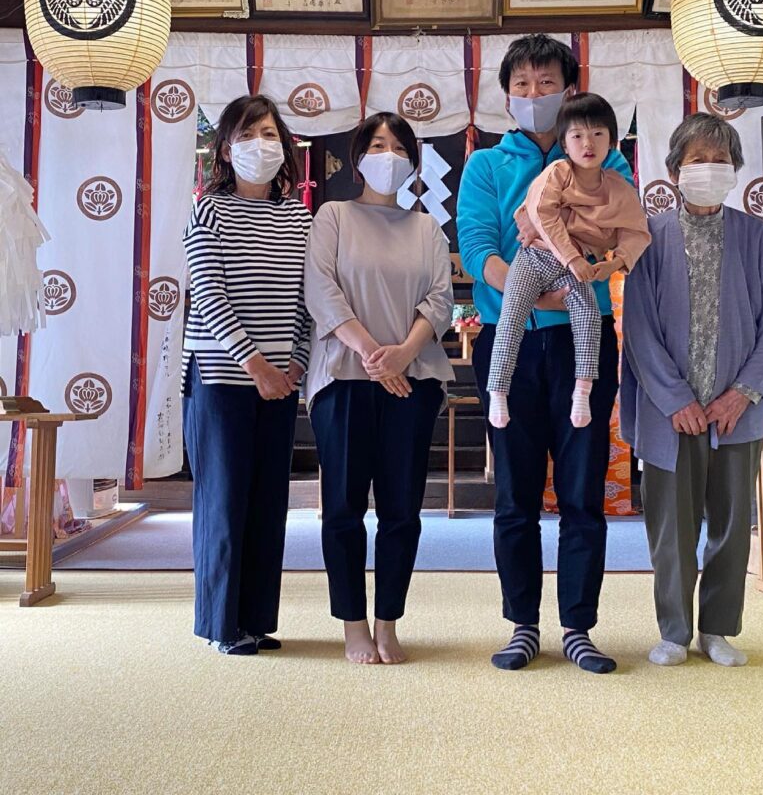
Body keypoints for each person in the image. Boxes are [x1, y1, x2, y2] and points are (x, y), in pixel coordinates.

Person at [457, 35, 636, 675]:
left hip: (583, 344)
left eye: (547, 83)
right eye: (523, 85)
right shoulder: (485, 165)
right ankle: (523, 624)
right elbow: (479, 249)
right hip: (513, 338)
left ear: (569, 89)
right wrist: (546, 287)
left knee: (583, 490)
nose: (535, 95)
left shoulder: (608, 164)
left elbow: (621, 235)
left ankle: (580, 626)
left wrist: (579, 284)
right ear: (507, 94)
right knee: (517, 493)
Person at [620, 112, 763, 668]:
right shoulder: (650, 236)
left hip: (735, 411)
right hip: (671, 414)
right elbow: (639, 328)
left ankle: (718, 628)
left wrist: (741, 393)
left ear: (736, 169)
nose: (709, 170)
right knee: (670, 524)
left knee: (733, 520)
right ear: (674, 169)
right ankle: (673, 629)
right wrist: (676, 400)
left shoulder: (754, 235)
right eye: (698, 160)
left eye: (720, 161)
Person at [305, 111, 454, 665]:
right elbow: (321, 290)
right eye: (376, 144)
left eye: (397, 146)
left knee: (401, 510)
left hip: (411, 385)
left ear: (412, 161)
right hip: (344, 380)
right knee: (342, 508)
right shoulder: (333, 216)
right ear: (358, 156)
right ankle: (352, 624)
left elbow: (440, 301)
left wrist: (403, 355)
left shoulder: (426, 228)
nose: (386, 155)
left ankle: (388, 620)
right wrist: (374, 355)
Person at [182, 94, 311, 656]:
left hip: (280, 381)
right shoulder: (207, 210)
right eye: (248, 134)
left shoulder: (298, 215)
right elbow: (208, 294)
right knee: (224, 500)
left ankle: (256, 618)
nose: (261, 144)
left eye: (269, 133)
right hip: (220, 376)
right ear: (226, 150)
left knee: (267, 502)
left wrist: (296, 363)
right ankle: (220, 624)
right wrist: (254, 364)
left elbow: (308, 301)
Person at [487, 92, 650, 430]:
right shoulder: (557, 172)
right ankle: (498, 391)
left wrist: (615, 263)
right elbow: (542, 215)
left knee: (589, 315)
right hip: (535, 257)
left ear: (612, 141)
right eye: (577, 135)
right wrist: (573, 256)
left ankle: (582, 389)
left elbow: (637, 231)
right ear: (564, 142)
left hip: (579, 268)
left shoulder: (619, 187)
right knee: (513, 312)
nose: (587, 143)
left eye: (598, 134)